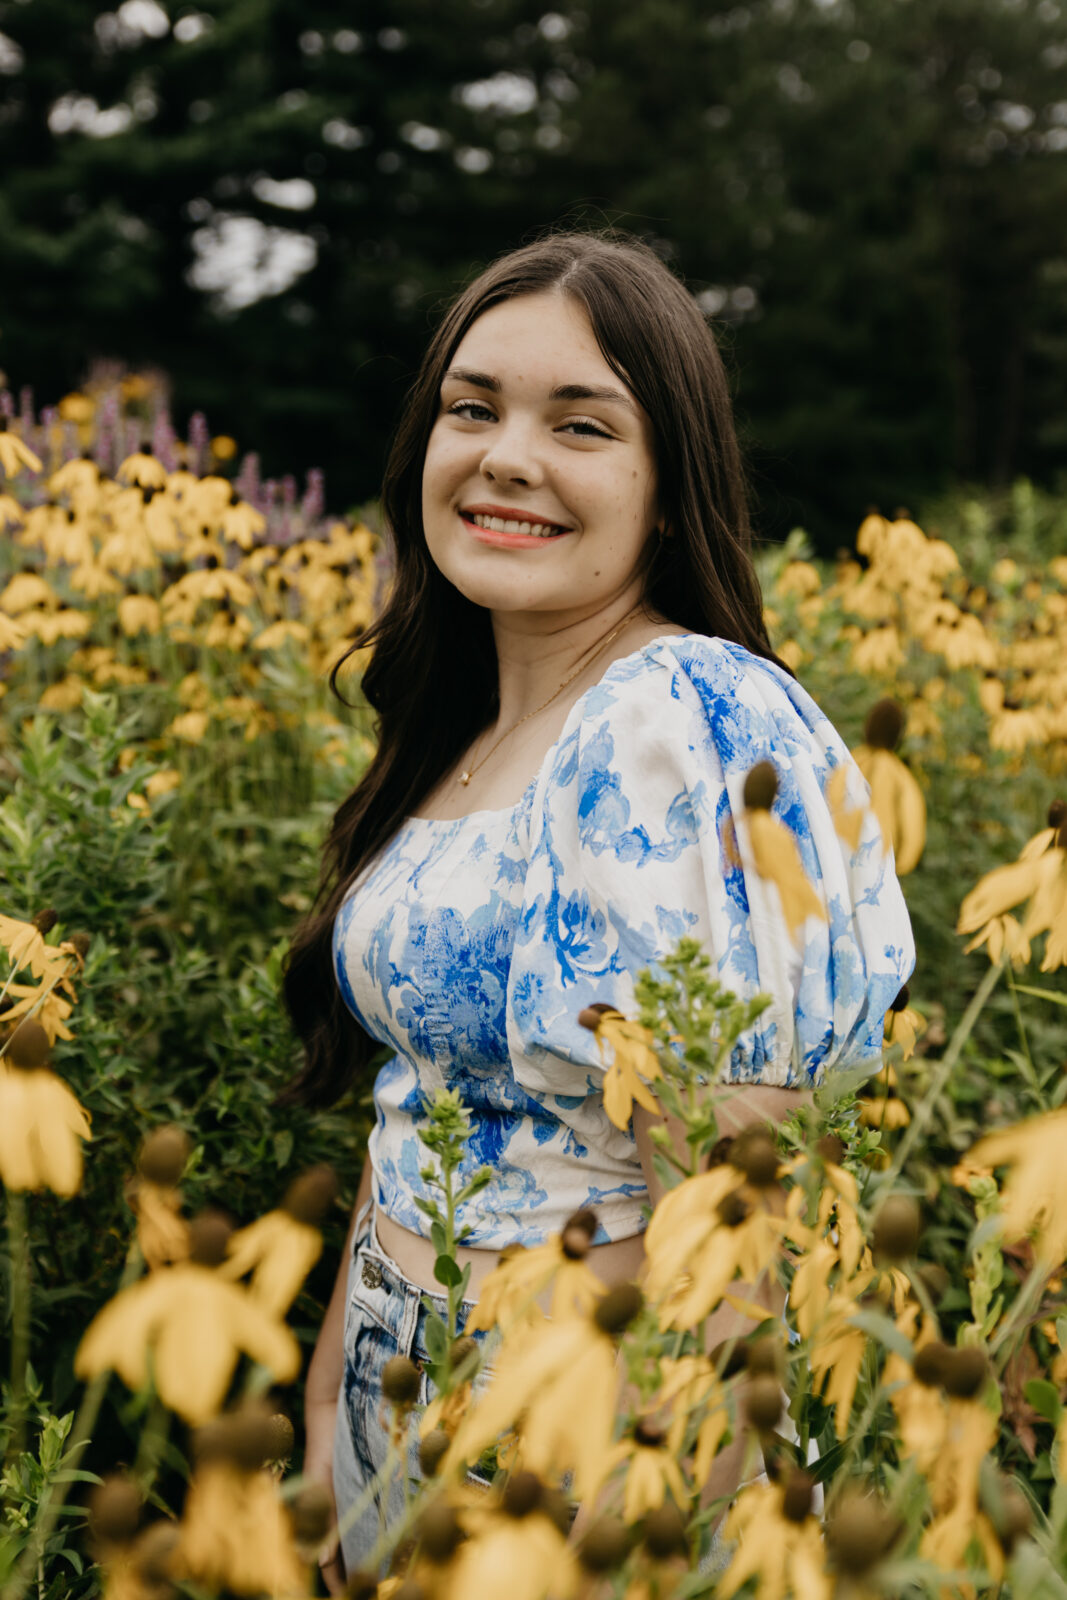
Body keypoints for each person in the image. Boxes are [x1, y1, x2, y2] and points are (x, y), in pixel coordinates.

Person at [279, 230, 915, 1588]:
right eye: (473, 408)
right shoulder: (466, 733)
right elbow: (421, 1115)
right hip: (402, 1420)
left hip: (591, 1450)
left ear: (669, 489)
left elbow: (731, 1200)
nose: (508, 455)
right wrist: (330, 1444)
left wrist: (638, 1523)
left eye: (581, 423)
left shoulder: (677, 717)